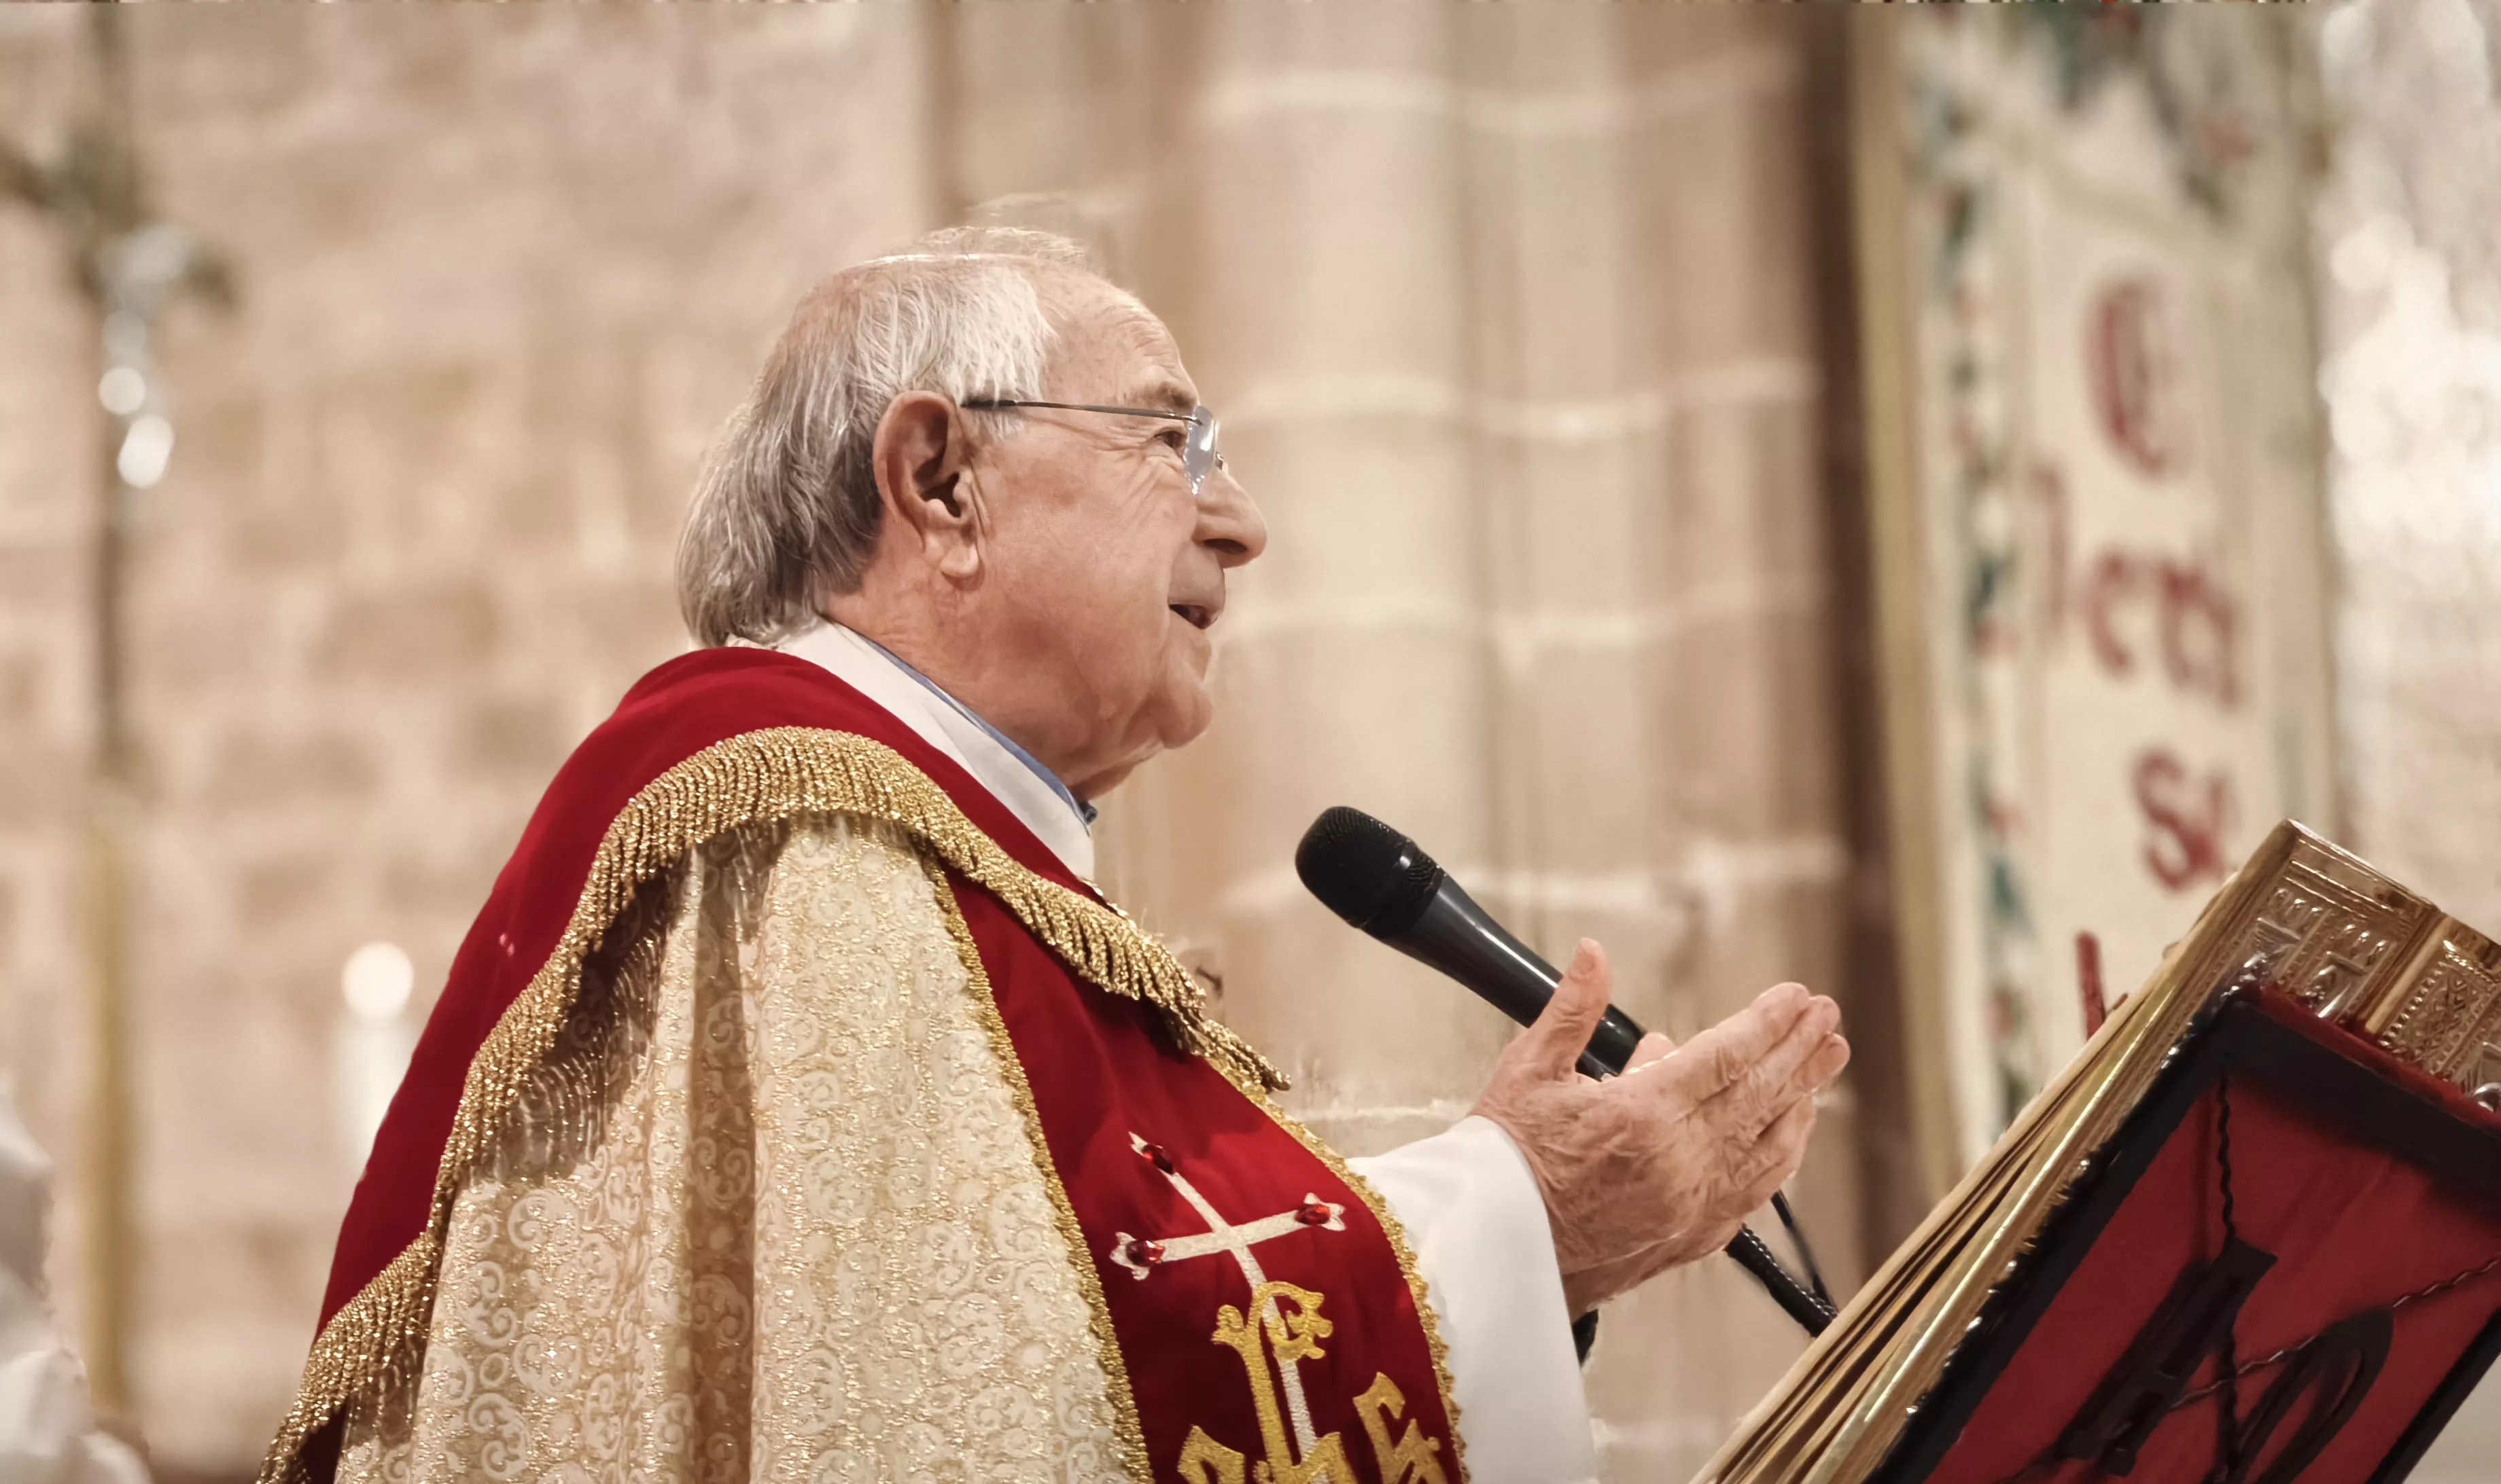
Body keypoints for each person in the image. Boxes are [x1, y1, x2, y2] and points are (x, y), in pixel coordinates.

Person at [260, 228, 1849, 1484]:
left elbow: (1071, 1337)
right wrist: (1517, 1220)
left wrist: (1518, 1229)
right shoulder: (799, 840)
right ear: (940, 481)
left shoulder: (953, 880)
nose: (1241, 522)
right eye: (1174, 439)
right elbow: (969, 1418)